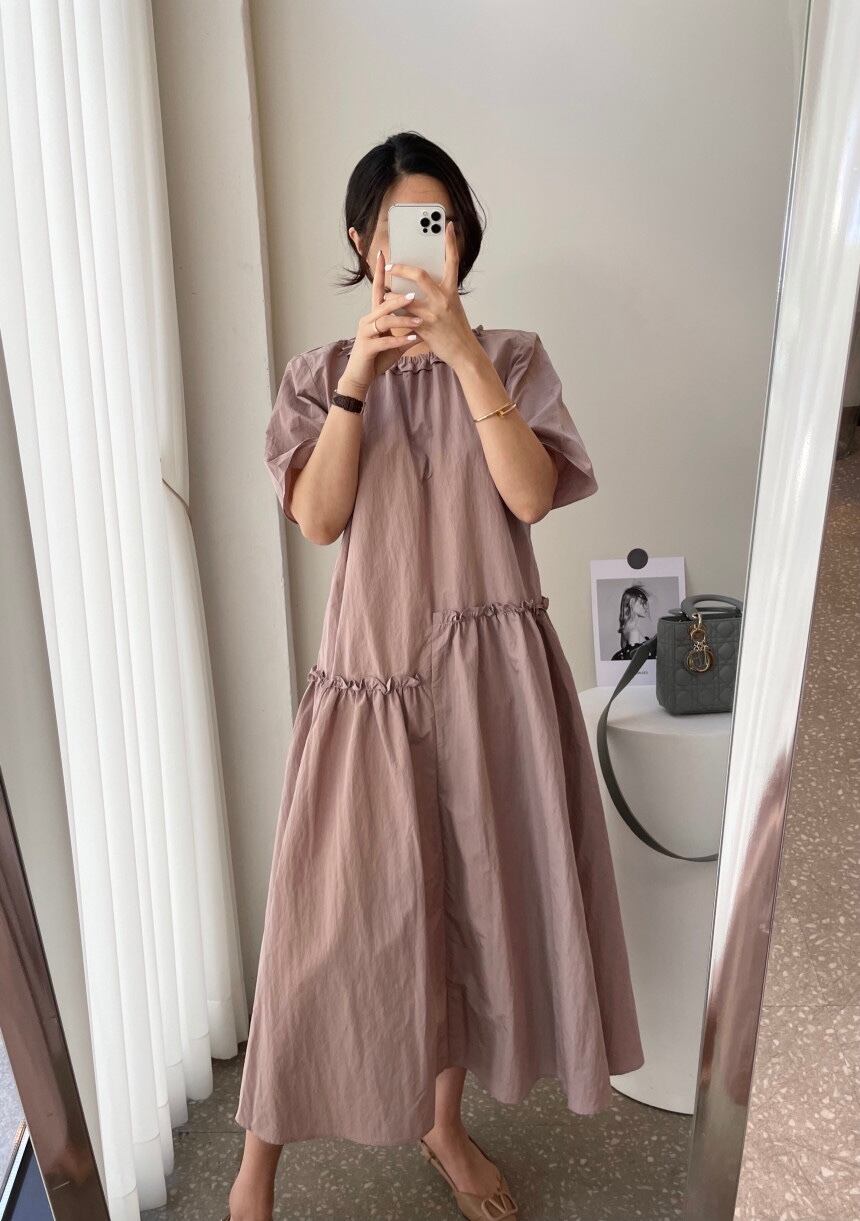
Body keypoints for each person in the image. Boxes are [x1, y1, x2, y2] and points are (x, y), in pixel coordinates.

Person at [226, 132, 643, 1221]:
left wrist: (462, 358)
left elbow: (530, 496)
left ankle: (443, 1126)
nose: (422, 245)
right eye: (402, 228)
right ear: (362, 244)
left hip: (490, 692)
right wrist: (360, 380)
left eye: (440, 223)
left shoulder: (511, 358)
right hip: (371, 691)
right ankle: (253, 1173)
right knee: (319, 935)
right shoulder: (319, 375)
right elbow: (319, 520)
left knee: (466, 919)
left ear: (460, 238)